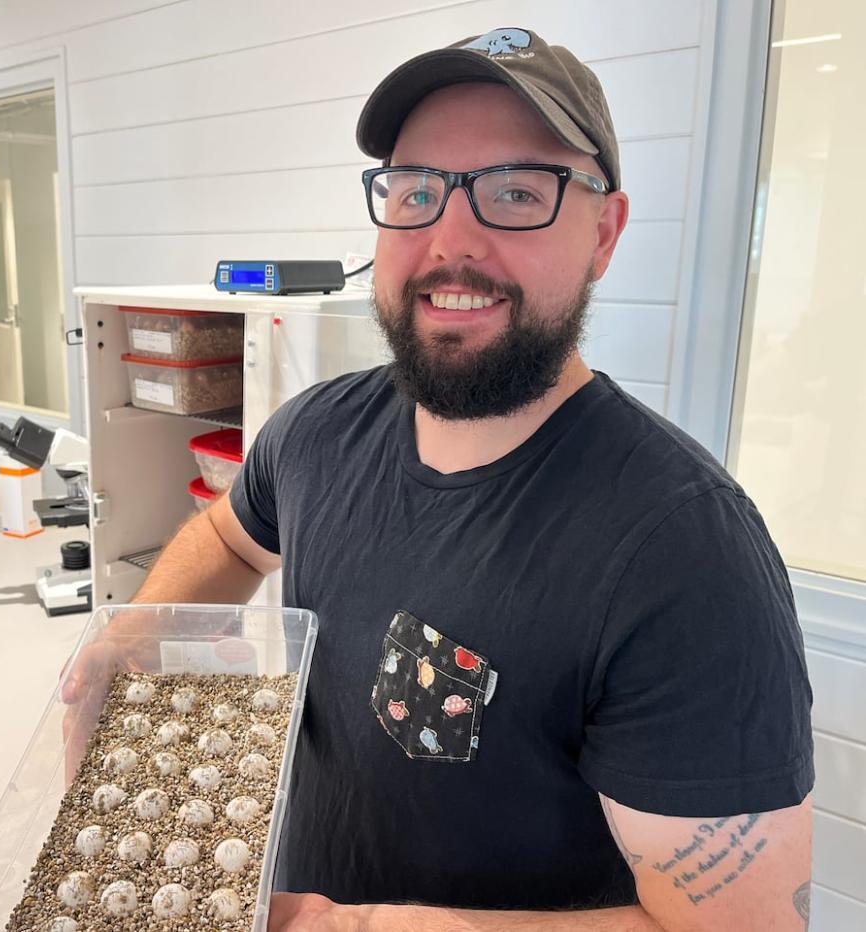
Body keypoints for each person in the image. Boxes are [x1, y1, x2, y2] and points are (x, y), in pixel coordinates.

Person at [64, 27, 814, 931]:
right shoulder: (316, 432)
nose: (451, 242)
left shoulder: (686, 555)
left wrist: (346, 927)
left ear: (604, 233)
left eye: (515, 193)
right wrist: (133, 637)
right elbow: (230, 534)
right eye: (416, 191)